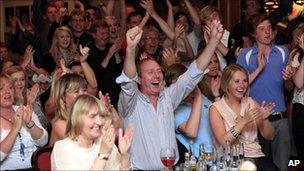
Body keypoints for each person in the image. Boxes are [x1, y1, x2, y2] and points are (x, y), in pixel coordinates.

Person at [116, 20, 223, 169]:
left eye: (159, 71)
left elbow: (193, 73)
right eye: (150, 72)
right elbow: (128, 81)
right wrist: (130, 50)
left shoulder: (167, 97)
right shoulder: (130, 103)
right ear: (139, 79)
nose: (157, 75)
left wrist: (213, 43)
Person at [236, 13, 293, 170]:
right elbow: (238, 89)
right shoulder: (244, 55)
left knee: (282, 167)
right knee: (257, 167)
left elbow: (289, 88)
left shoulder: (282, 52)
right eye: (261, 29)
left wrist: (288, 79)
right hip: (255, 120)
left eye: (269, 28)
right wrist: (259, 68)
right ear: (253, 33)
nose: (267, 32)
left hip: (280, 118)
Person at [209, 63, 278, 170]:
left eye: (245, 81)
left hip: (257, 156)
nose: (242, 85)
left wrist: (265, 119)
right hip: (232, 160)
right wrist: (243, 121)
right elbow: (223, 142)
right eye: (237, 81)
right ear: (226, 84)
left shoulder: (250, 102)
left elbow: (270, 136)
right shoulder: (215, 108)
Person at [51, 94, 133, 170]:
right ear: (77, 119)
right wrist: (103, 155)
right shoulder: (63, 148)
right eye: (92, 116)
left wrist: (125, 155)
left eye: (101, 116)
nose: (100, 122)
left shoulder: (104, 142)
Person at [165, 64, 214, 160]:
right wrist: (198, 97)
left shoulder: (205, 99)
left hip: (215, 157)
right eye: (177, 86)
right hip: (197, 161)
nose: (183, 89)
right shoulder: (174, 109)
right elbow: (191, 132)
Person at [0, 73, 48, 170]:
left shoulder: (24, 110)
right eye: (1, 89)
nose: (7, 92)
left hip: (36, 167)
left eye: (10, 88)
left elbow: (43, 142)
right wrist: (14, 130)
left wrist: (30, 123)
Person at [48, 73, 88, 146]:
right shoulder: (59, 124)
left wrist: (106, 112)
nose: (82, 95)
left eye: (84, 90)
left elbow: (115, 132)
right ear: (63, 96)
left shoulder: (86, 117)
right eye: (76, 91)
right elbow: (82, 147)